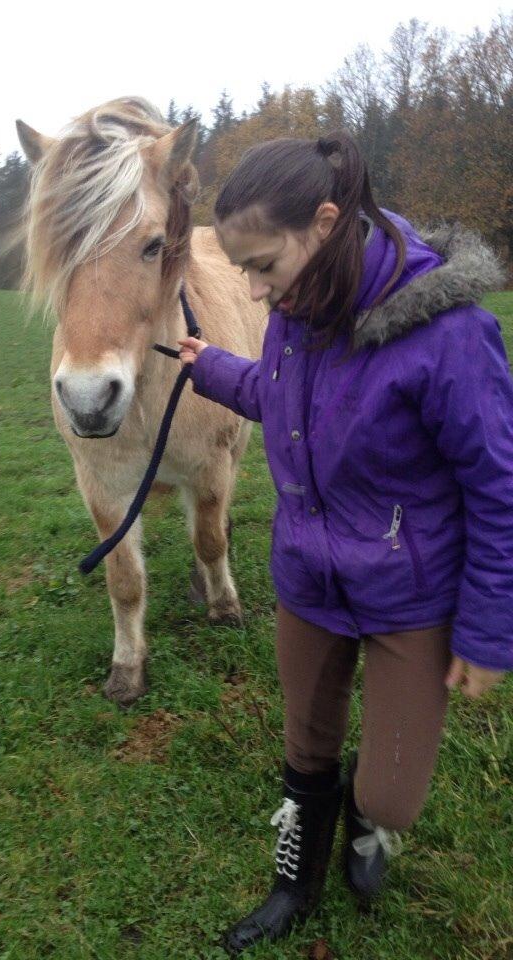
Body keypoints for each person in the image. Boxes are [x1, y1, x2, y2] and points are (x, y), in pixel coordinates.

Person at [177, 132, 513, 955]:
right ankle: (296, 880)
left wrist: (486, 631)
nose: (254, 292)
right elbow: (282, 393)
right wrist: (211, 365)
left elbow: (500, 491)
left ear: (325, 224)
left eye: (262, 266)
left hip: (411, 593)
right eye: (243, 271)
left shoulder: (451, 334)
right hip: (309, 575)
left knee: (394, 794)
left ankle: (369, 819)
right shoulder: (295, 312)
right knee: (305, 747)